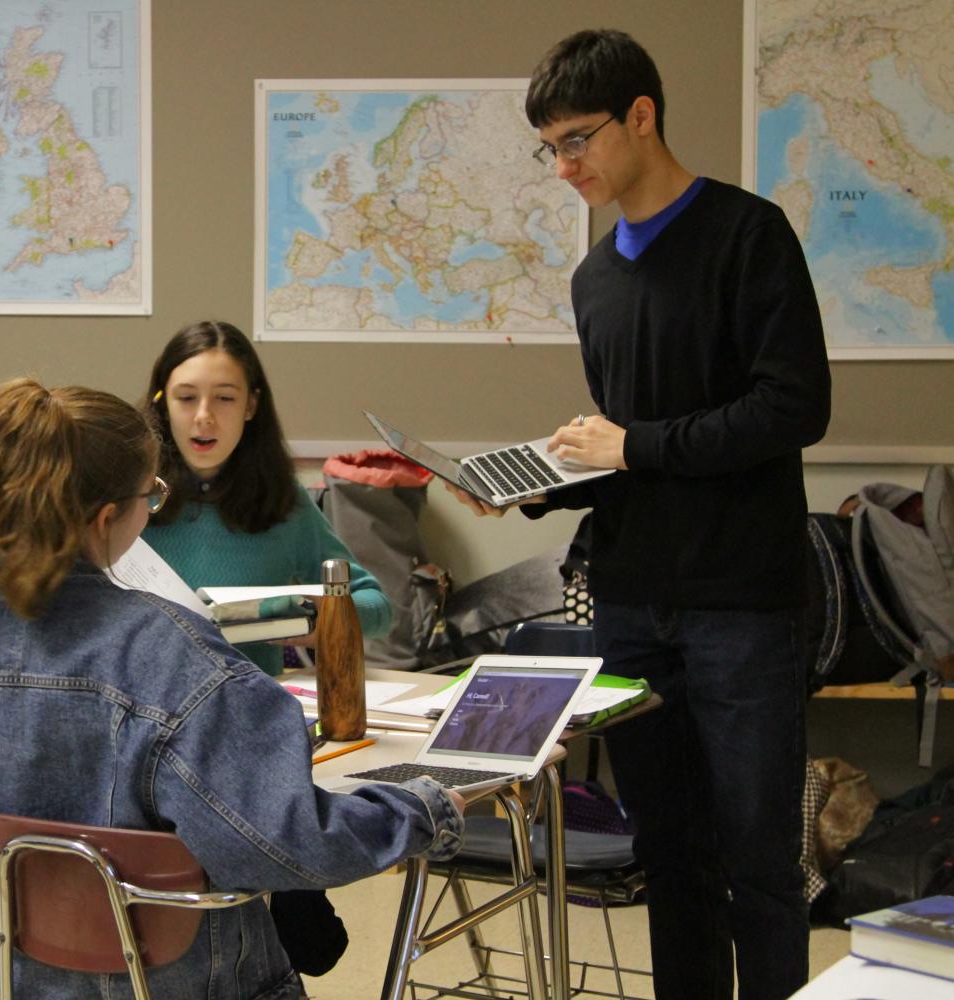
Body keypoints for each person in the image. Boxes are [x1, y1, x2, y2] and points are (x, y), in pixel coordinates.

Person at [0, 378, 464, 1000]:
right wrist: (420, 810)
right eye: (152, 495)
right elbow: (287, 839)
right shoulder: (177, 658)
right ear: (110, 518)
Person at [450, 29, 832, 1000]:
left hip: (742, 605)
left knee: (759, 866)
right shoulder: (595, 283)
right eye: (551, 149)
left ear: (642, 117)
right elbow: (630, 453)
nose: (565, 166)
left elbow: (794, 408)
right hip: (630, 606)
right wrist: (543, 478)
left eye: (577, 140)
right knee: (670, 860)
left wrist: (630, 446)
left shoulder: (749, 238)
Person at [141, 320, 393, 678]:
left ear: (250, 405)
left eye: (225, 398)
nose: (203, 417)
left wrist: (315, 616)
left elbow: (377, 607)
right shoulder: (128, 497)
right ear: (162, 403)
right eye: (185, 398)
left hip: (249, 713)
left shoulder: (282, 502)